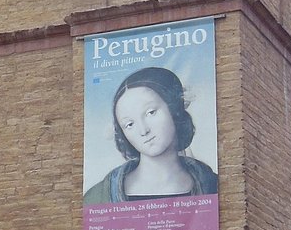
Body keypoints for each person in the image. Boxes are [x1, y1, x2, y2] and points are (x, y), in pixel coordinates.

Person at [83, 66, 218, 204]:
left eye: (151, 112)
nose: (143, 130)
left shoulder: (213, 185)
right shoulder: (97, 198)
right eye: (129, 124)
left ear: (173, 109)